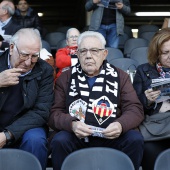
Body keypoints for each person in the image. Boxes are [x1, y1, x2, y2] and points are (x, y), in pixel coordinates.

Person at [48, 31, 144, 170]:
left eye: (94, 51)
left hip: (111, 134)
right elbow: (54, 113)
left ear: (104, 54)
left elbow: (135, 108)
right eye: (83, 51)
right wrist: (72, 124)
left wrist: (120, 125)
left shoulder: (120, 76)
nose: (88, 56)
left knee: (134, 139)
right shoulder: (65, 77)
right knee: (60, 140)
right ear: (78, 54)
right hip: (77, 135)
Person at [0, 28, 54, 170]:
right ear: (12, 48)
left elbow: (41, 111)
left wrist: (8, 134)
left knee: (35, 140)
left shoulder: (45, 70)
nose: (29, 62)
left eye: (35, 56)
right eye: (24, 55)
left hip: (27, 125)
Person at [133, 28, 170, 170]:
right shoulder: (143, 70)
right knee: (149, 150)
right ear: (156, 54)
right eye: (165, 53)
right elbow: (134, 105)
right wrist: (147, 100)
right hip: (156, 127)